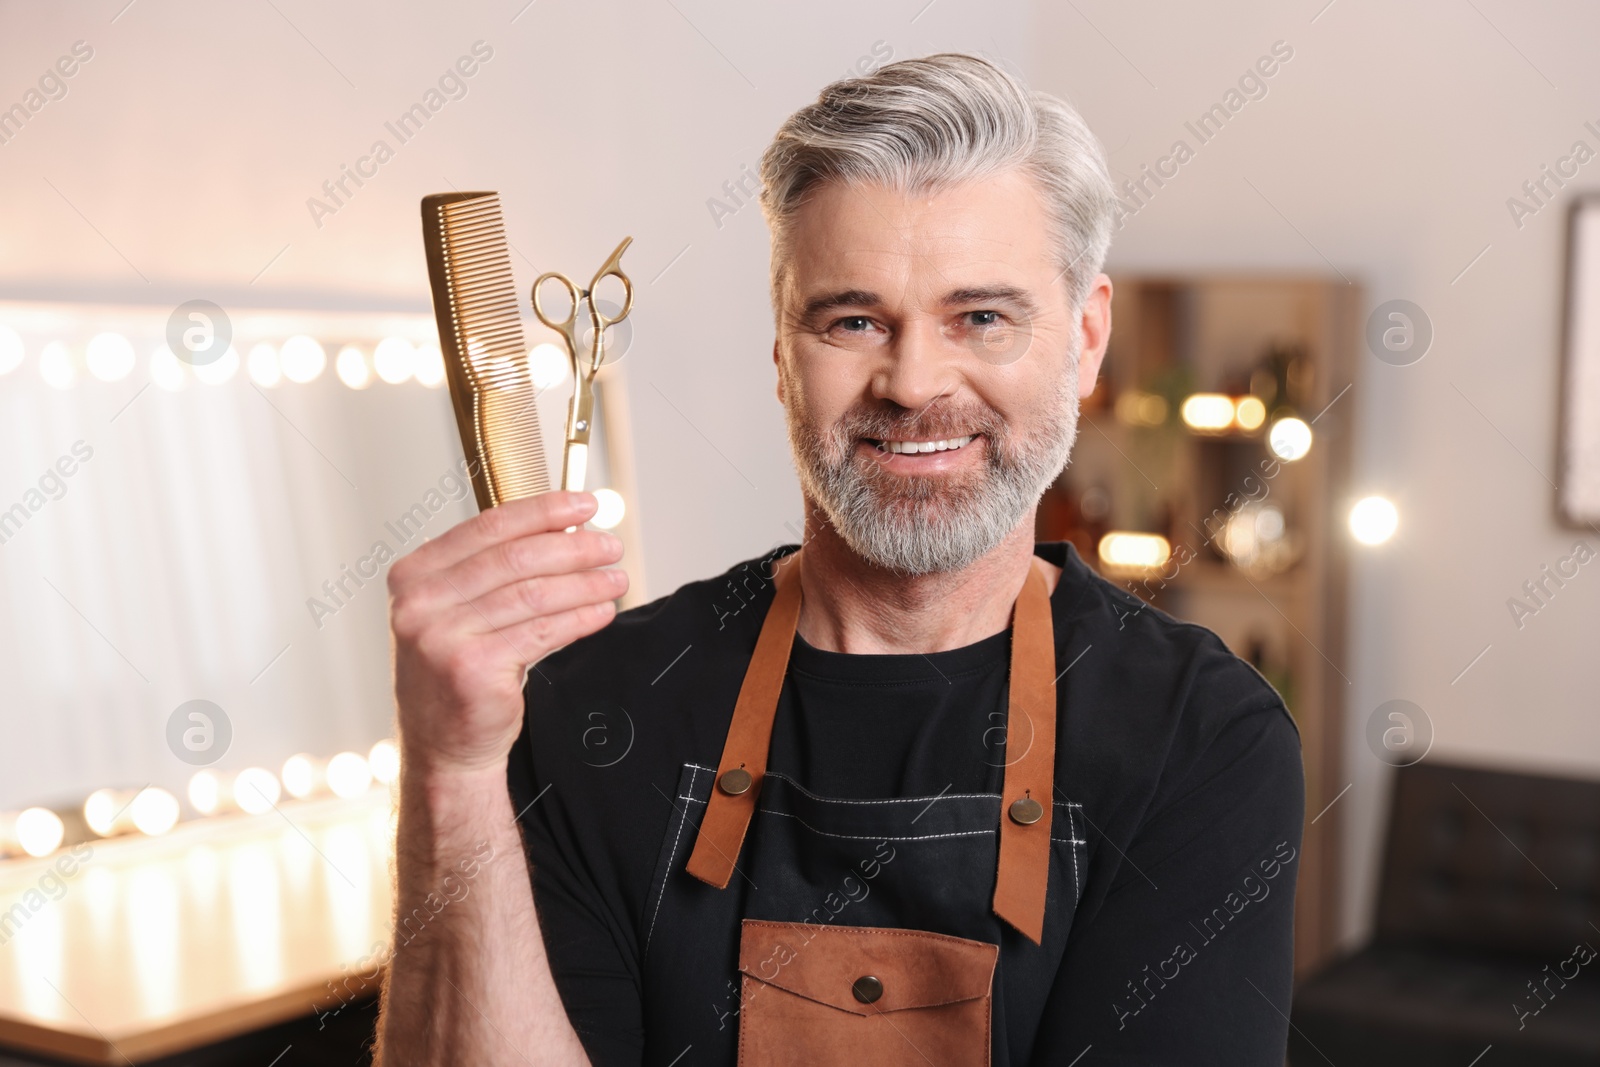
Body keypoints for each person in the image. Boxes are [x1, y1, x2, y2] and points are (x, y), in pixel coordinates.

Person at [375, 53, 1303, 1066]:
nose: (911, 383)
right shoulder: (595, 704)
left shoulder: (1200, 737)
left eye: (980, 317)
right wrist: (453, 772)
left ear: (1084, 339)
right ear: (781, 354)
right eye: (852, 320)